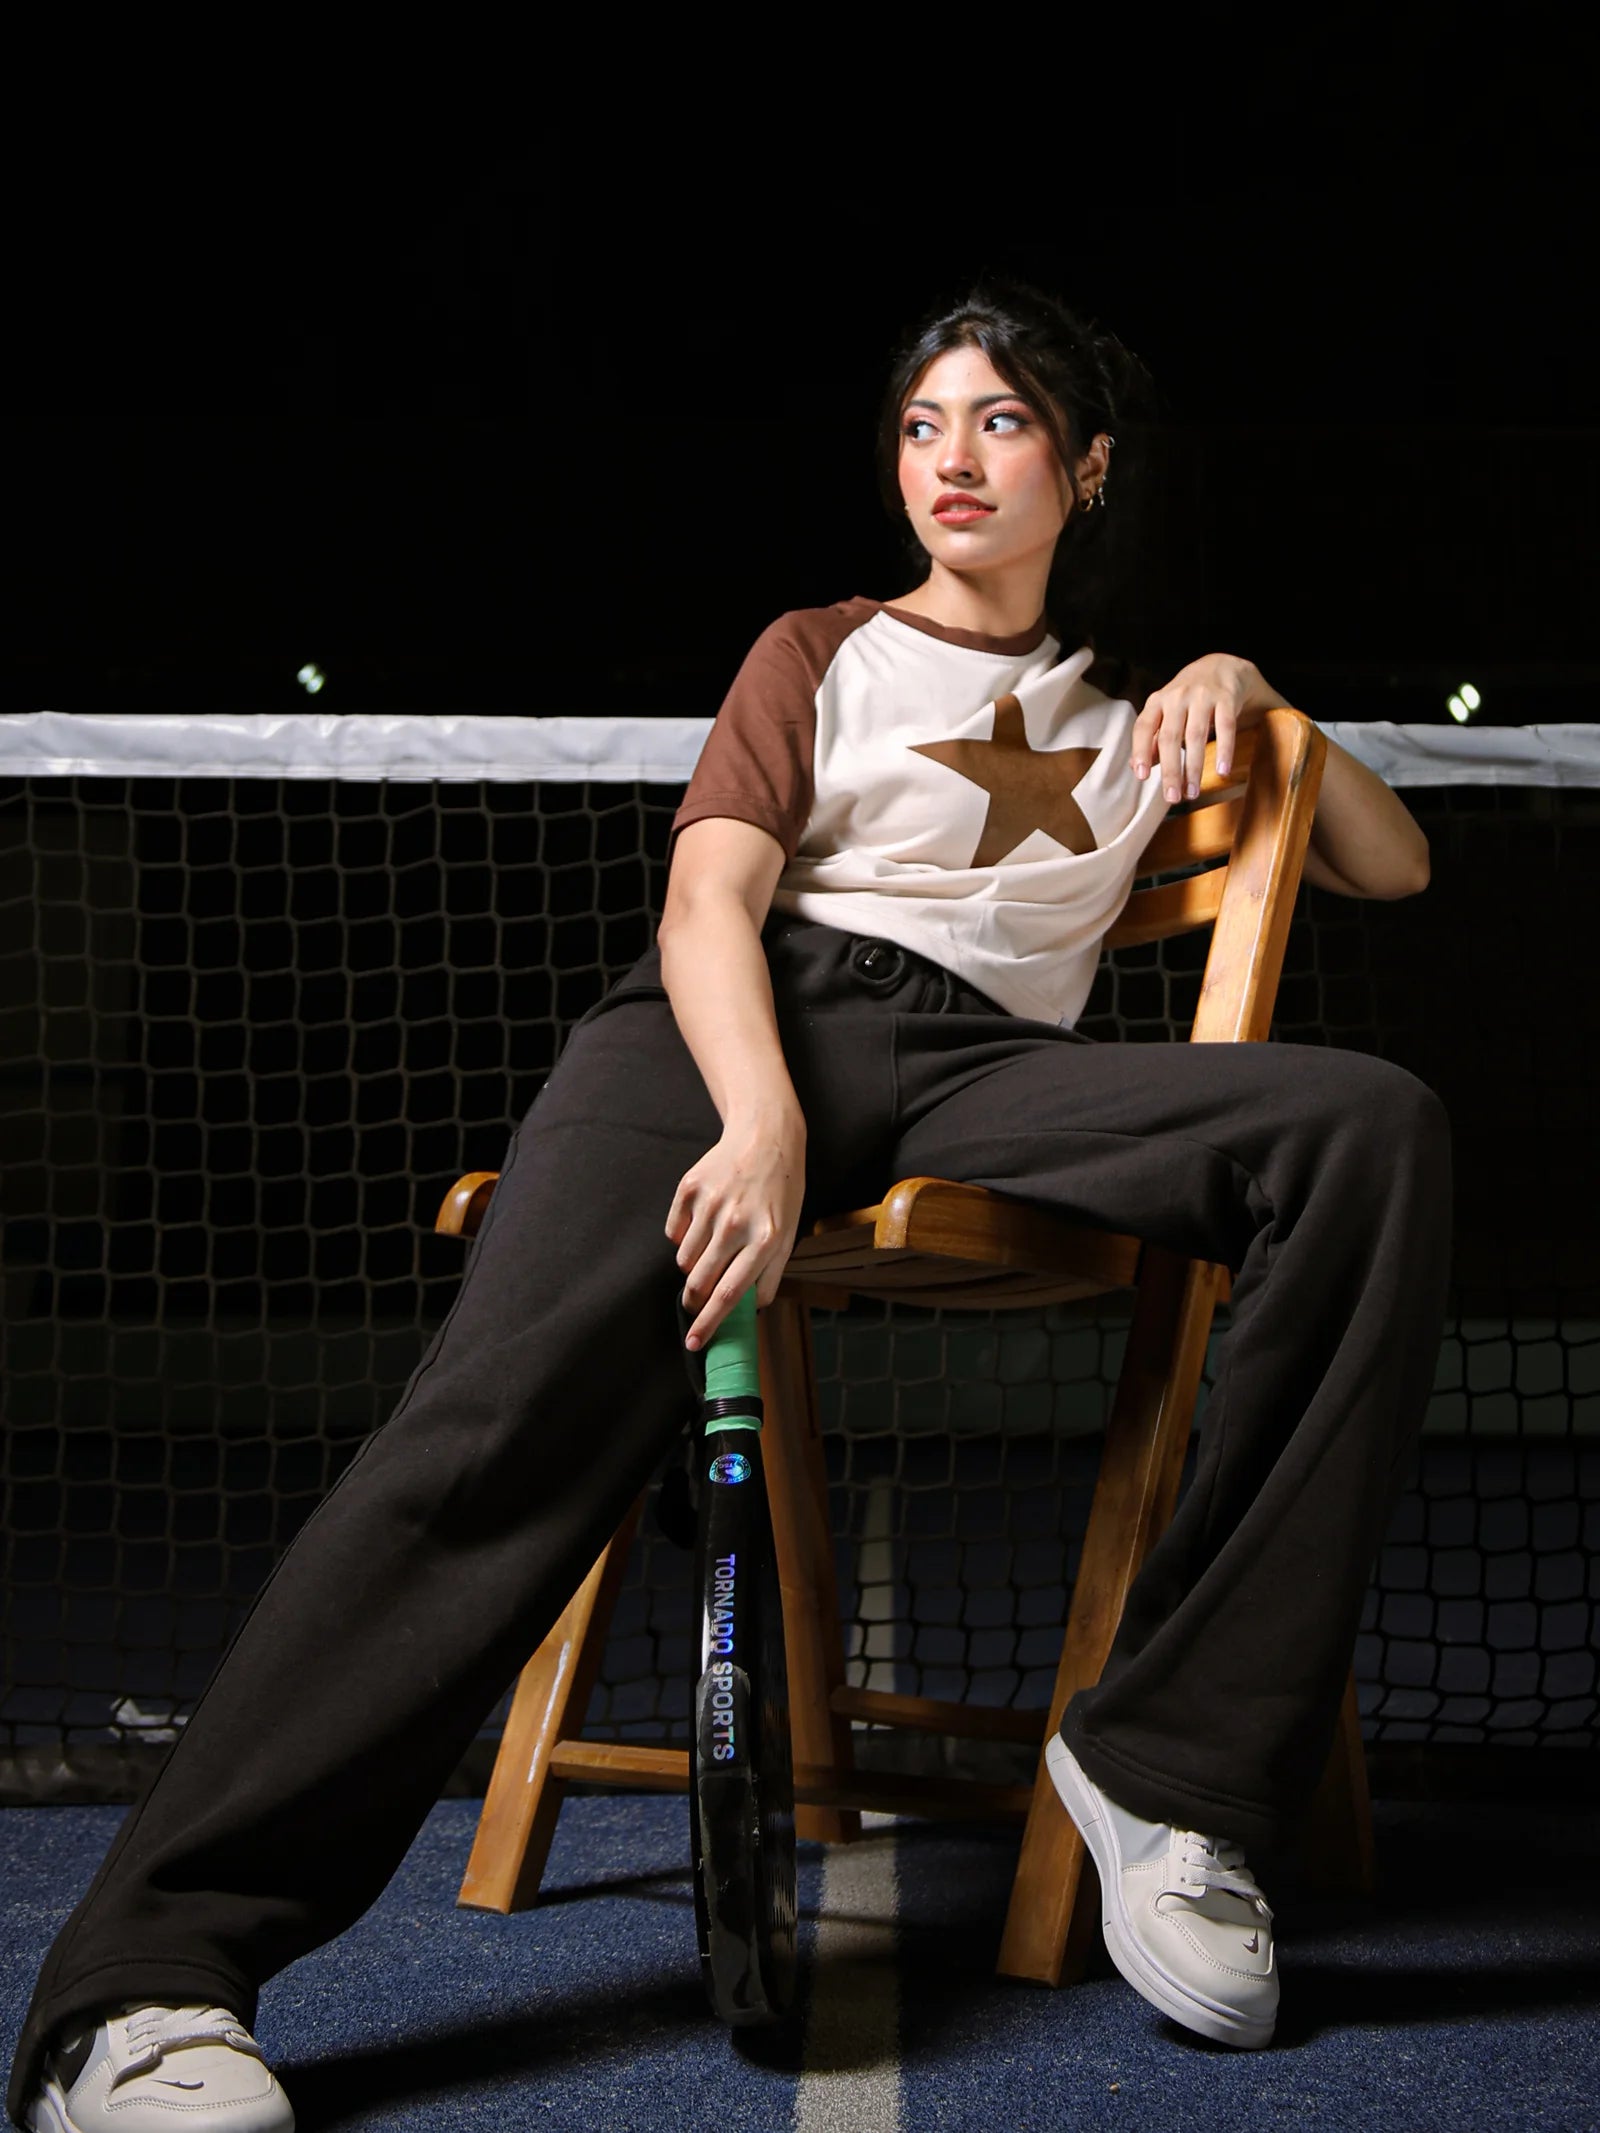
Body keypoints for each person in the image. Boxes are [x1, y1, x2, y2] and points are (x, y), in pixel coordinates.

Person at [9, 278, 1451, 2127]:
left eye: (1001, 422)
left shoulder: (1141, 711)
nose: (952, 458)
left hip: (992, 1075)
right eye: (924, 425)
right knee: (493, 1427)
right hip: (736, 1029)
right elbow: (708, 906)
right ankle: (136, 1987)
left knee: (1373, 1129)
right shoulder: (819, 647)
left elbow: (1393, 868)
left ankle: (1169, 1774)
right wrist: (761, 1124)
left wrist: (1260, 695)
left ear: (1087, 470)